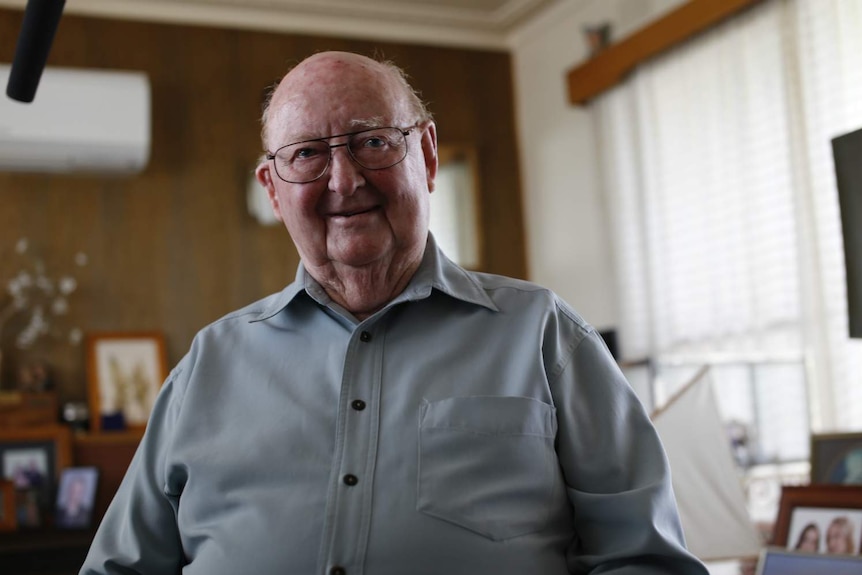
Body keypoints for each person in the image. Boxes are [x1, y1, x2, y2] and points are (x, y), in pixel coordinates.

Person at [80, 51, 707, 574]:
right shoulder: (207, 367)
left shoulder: (546, 339)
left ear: (427, 156)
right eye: (307, 155)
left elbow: (644, 560)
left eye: (373, 141)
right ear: (273, 189)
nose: (344, 179)